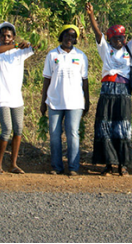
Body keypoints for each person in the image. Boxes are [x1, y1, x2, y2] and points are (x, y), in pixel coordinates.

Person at [86, 0, 132, 176]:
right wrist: (91, 15)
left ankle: (122, 165)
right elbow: (96, 32)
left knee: (123, 127)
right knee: (105, 127)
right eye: (116, 37)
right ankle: (109, 164)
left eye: (122, 37)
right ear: (110, 38)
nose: (119, 40)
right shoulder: (105, 49)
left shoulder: (129, 49)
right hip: (107, 91)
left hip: (123, 93)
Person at [40, 25, 89, 176]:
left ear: (76, 39)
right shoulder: (52, 55)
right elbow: (46, 80)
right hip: (55, 101)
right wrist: (43, 102)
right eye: (67, 35)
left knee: (72, 134)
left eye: (73, 36)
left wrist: (87, 101)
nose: (70, 38)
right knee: (54, 135)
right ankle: (56, 166)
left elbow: (85, 81)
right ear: (61, 36)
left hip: (75, 102)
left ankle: (73, 167)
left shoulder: (81, 56)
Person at [0, 22, 34, 175]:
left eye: (9, 36)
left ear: (13, 36)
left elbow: (35, 46)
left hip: (16, 98)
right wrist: (14, 45)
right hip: (1, 98)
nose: (6, 38)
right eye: (3, 36)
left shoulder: (19, 52)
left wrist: (27, 43)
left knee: (18, 129)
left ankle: (13, 164)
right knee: (6, 129)